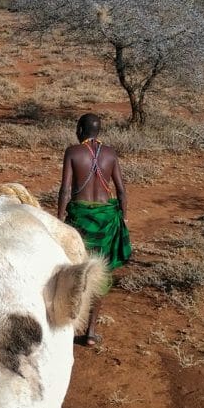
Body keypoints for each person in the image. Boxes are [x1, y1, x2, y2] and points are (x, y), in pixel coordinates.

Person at [56, 113, 131, 347]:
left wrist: (59, 221)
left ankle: (66, 328)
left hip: (80, 219)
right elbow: (121, 191)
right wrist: (121, 219)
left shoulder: (73, 152)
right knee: (101, 273)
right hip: (107, 219)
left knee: (76, 270)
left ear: (80, 129)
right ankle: (90, 331)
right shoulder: (110, 154)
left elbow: (66, 191)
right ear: (98, 131)